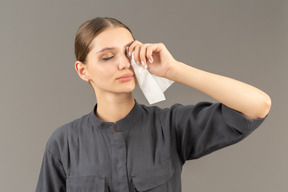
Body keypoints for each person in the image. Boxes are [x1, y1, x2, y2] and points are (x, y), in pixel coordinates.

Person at [36, 17, 271, 192]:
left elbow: (258, 105)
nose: (124, 64)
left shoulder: (170, 126)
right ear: (82, 70)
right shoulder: (63, 143)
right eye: (108, 56)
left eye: (128, 53)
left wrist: (173, 70)